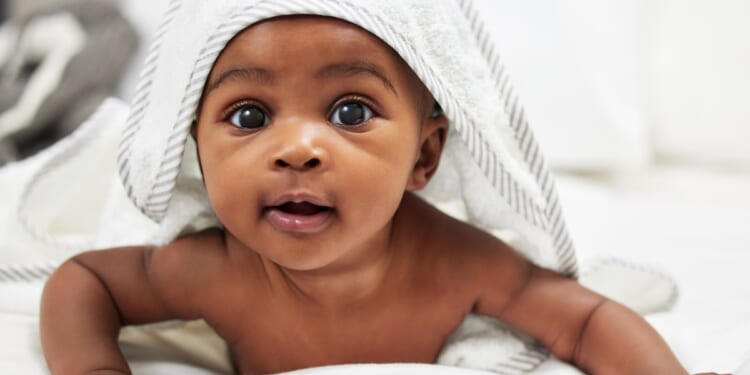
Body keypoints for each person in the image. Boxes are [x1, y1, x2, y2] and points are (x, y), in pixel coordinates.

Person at [39, 13, 713, 375]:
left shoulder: (455, 263)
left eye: (351, 111)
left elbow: (585, 318)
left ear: (423, 156)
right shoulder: (214, 271)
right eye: (249, 116)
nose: (298, 147)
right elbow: (84, 279)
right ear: (198, 152)